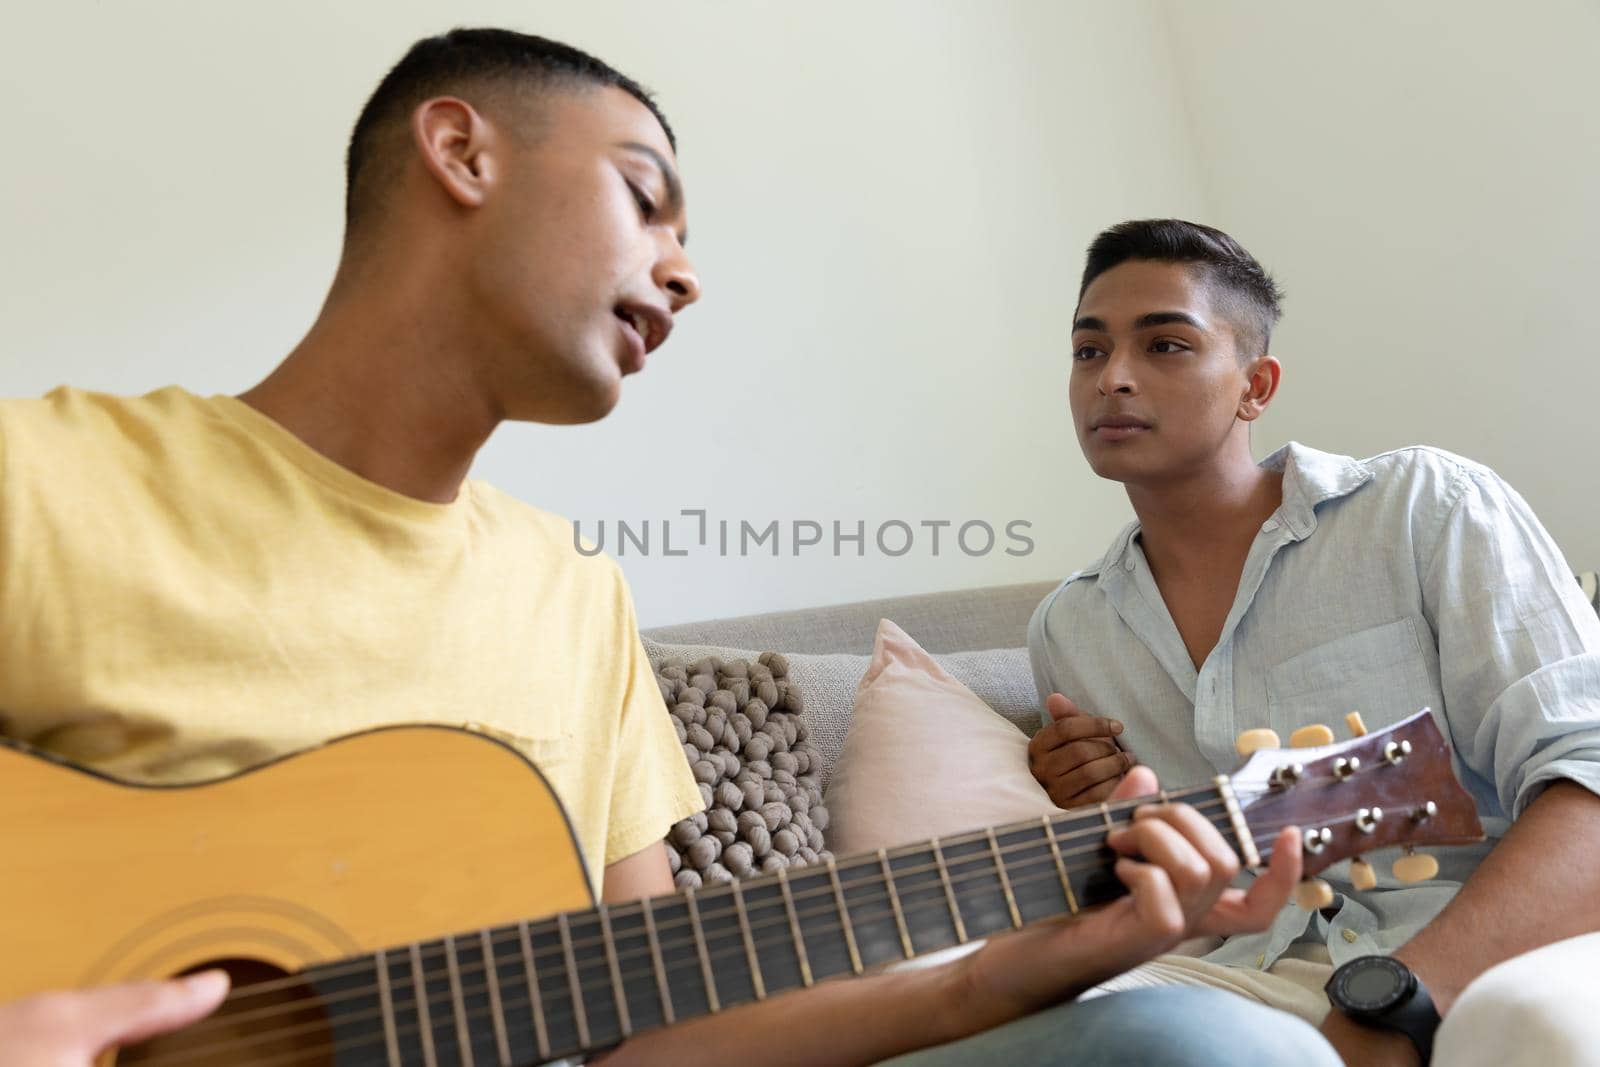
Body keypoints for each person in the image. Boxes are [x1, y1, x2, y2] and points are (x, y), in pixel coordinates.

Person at [0, 31, 1333, 1066]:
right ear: (463, 153)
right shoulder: (45, 479)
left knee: (1207, 1038)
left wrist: (1017, 964)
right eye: (648, 201)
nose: (687, 274)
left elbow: (645, 1027)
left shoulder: (569, 596)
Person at [1027, 218, 1600, 1064]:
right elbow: (1150, 885)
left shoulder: (1424, 507)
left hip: (1486, 953)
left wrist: (1394, 1008)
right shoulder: (1068, 629)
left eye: (1167, 346)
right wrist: (1077, 820)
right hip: (1230, 978)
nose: (1113, 378)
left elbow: (1589, 774)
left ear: (1255, 385)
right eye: (1088, 351)